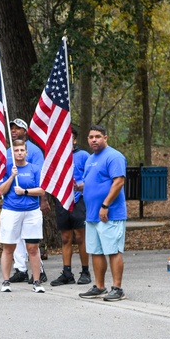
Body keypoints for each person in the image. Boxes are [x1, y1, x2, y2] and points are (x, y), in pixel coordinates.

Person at [78, 125, 127, 301]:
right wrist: (82, 186)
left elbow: (119, 181)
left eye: (98, 136)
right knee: (96, 251)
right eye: (91, 137)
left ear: (106, 138)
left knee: (113, 250)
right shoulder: (90, 159)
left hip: (110, 213)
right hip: (92, 214)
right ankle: (99, 287)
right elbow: (94, 181)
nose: (94, 140)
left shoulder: (114, 156)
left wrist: (105, 205)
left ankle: (117, 288)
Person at [0, 140, 46, 293]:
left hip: (32, 212)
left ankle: (36, 281)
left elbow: (42, 190)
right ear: (13, 153)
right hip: (11, 211)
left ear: (26, 153)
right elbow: (1, 190)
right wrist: (11, 177)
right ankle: (5, 281)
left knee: (33, 248)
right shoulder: (6, 169)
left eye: (21, 150)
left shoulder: (34, 169)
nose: (19, 153)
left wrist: (25, 191)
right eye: (16, 150)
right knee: (9, 247)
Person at [6, 120, 47, 284]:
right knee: (15, 237)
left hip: (30, 202)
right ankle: (20, 269)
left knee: (31, 240)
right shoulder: (9, 150)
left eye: (18, 128)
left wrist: (43, 200)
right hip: (12, 203)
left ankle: (40, 271)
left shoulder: (34, 151)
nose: (14, 131)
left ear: (26, 131)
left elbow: (41, 178)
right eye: (12, 129)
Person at [51, 130, 92, 286]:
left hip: (79, 200)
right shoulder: (57, 157)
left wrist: (83, 185)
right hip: (62, 199)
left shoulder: (83, 156)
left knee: (80, 237)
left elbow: (92, 177)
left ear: (75, 141)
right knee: (65, 238)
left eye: (70, 139)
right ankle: (67, 273)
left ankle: (85, 271)